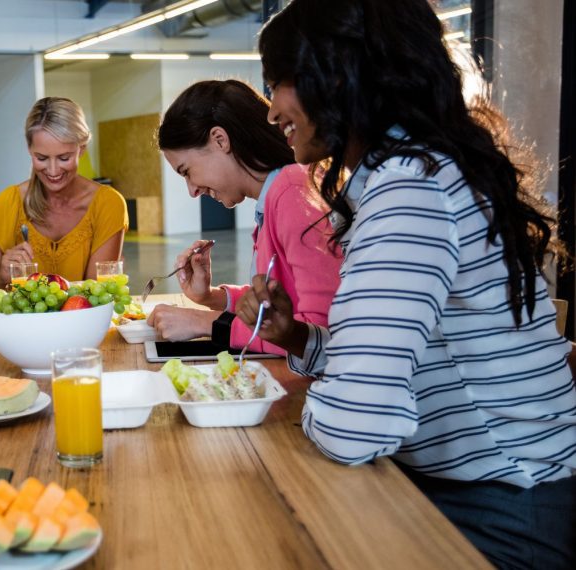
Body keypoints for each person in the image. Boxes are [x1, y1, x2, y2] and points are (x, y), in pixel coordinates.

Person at [240, 0, 576, 566]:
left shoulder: (412, 190)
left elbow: (356, 427)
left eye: (278, 84)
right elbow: (413, 362)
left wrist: (336, 396)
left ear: (337, 74)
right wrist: (301, 339)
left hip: (504, 510)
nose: (271, 111)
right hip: (480, 490)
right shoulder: (423, 169)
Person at [148, 80, 341, 354]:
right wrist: (214, 298)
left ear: (220, 139)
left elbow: (318, 336)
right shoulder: (277, 195)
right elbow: (280, 305)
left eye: (187, 171)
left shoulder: (293, 194)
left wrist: (208, 323)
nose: (192, 190)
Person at [0, 97, 128, 297]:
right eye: (42, 158)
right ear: (30, 150)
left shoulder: (108, 204)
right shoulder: (7, 203)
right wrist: (0, 279)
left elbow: (93, 297)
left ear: (82, 149)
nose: (53, 171)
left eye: (64, 158)